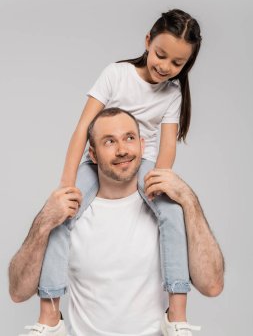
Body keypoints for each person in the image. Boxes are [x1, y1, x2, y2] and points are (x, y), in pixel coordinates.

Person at [9, 108, 224, 336]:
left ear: (142, 144)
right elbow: (18, 292)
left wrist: (189, 200)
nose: (122, 150)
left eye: (129, 138)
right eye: (109, 142)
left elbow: (212, 286)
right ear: (93, 154)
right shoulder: (68, 211)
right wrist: (44, 221)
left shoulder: (167, 211)